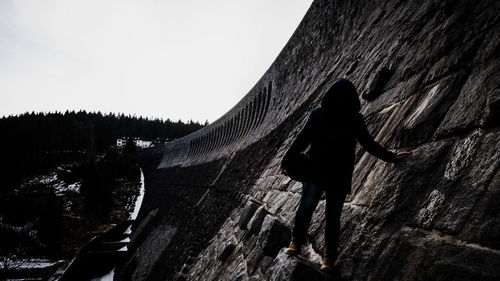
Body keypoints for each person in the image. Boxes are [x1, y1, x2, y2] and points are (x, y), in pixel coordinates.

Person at [280, 78, 409, 273]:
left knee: (333, 217)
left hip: (339, 175)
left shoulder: (354, 119)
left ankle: (329, 257)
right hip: (316, 169)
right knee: (306, 206)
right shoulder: (318, 115)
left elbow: (368, 143)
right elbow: (301, 139)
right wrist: (285, 160)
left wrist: (391, 156)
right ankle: (296, 241)